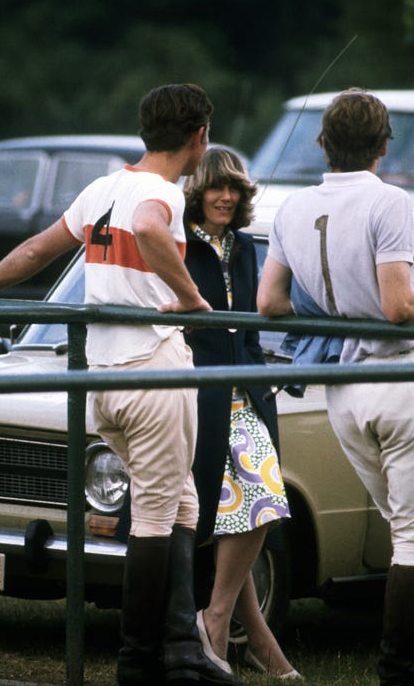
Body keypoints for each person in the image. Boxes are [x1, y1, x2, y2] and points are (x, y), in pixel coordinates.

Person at [0, 84, 241, 686]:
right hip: (152, 368)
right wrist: (191, 297)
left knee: (182, 499)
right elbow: (152, 230)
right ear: (200, 138)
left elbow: (34, 250)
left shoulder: (103, 188)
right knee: (156, 511)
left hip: (102, 376)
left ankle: (183, 645)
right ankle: (138, 662)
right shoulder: (161, 195)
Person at [257, 87, 414, 686]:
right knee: (410, 539)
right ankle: (396, 667)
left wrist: (334, 305)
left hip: (346, 392)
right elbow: (399, 305)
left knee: (403, 531)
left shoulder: (294, 207)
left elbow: (268, 302)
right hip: (396, 374)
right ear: (382, 145)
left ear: (323, 144)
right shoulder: (390, 202)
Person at [182, 148, 301, 680]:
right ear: (197, 191)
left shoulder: (248, 246)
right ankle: (251, 639)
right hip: (200, 393)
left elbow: (252, 327)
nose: (226, 197)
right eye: (215, 187)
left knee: (260, 502)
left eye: (234, 188)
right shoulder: (180, 243)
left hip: (246, 392)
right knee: (248, 506)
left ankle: (218, 622)